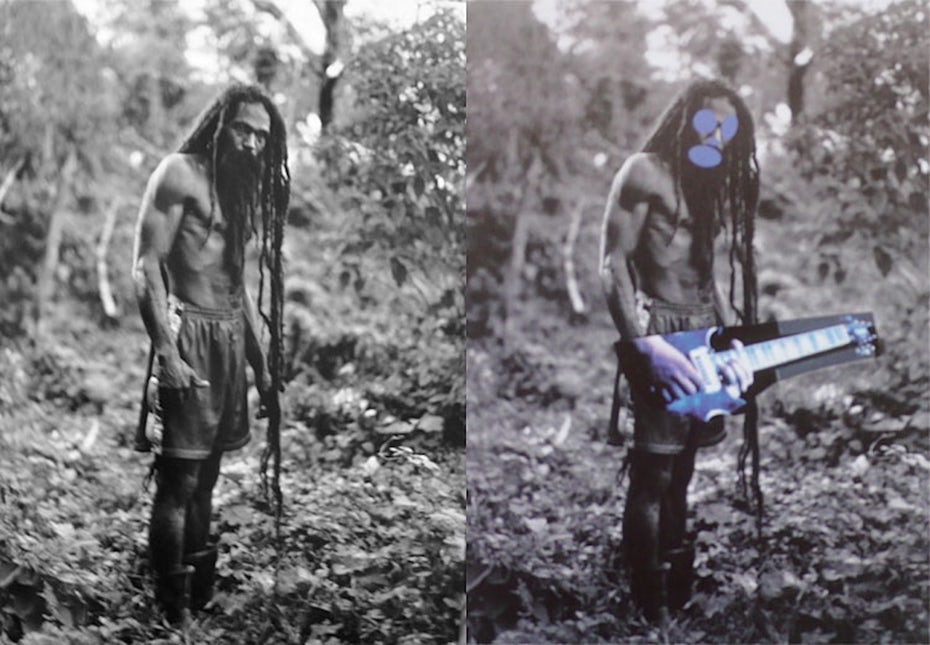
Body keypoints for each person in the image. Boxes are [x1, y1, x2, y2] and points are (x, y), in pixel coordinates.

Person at [599, 78, 760, 624]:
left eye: (728, 127)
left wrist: (733, 334)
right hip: (661, 334)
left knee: (683, 471)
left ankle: (675, 584)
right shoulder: (644, 171)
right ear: (686, 119)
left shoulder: (707, 182)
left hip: (705, 334)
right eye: (708, 122)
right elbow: (611, 263)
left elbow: (706, 274)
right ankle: (649, 608)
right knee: (653, 475)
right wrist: (644, 349)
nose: (717, 134)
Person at [131, 83, 290, 626]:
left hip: (227, 340)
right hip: (188, 335)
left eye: (262, 137)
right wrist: (169, 356)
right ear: (220, 124)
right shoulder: (179, 173)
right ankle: (169, 611)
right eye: (243, 129)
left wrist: (262, 363)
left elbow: (238, 287)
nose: (251, 143)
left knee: (210, 477)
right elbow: (145, 264)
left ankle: (197, 595)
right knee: (180, 480)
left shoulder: (241, 191)